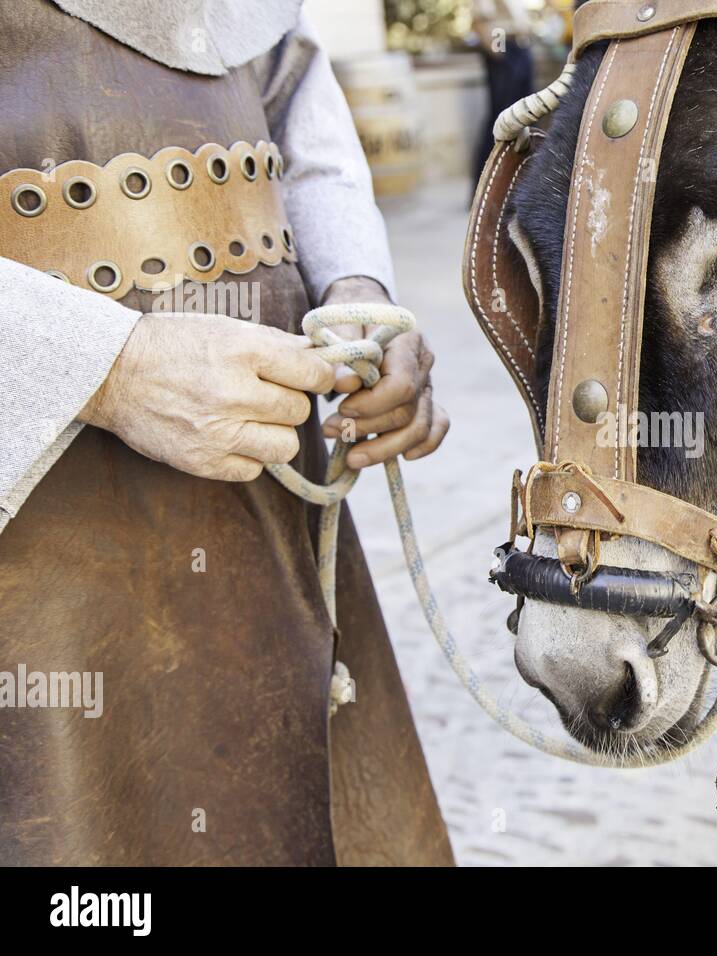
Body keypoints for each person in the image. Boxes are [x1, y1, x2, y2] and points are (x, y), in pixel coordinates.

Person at [0, 0, 453, 865]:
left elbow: (291, 108)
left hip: (267, 517)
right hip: (40, 553)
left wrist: (357, 291)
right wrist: (106, 367)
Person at [471, 0, 537, 177]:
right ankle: (486, 183)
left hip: (519, 44)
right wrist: (498, 51)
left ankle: (520, 180)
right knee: (500, 118)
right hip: (501, 40)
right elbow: (481, 19)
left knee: (528, 115)